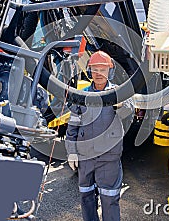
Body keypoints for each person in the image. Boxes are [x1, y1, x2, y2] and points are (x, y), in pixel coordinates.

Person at [65, 51, 134, 221]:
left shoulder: (118, 92)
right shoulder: (83, 95)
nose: (98, 74)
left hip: (109, 157)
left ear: (110, 71)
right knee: (86, 196)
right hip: (85, 156)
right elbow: (72, 125)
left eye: (103, 70)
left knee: (109, 198)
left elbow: (129, 112)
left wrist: (121, 104)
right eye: (95, 69)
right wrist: (71, 152)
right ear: (89, 72)